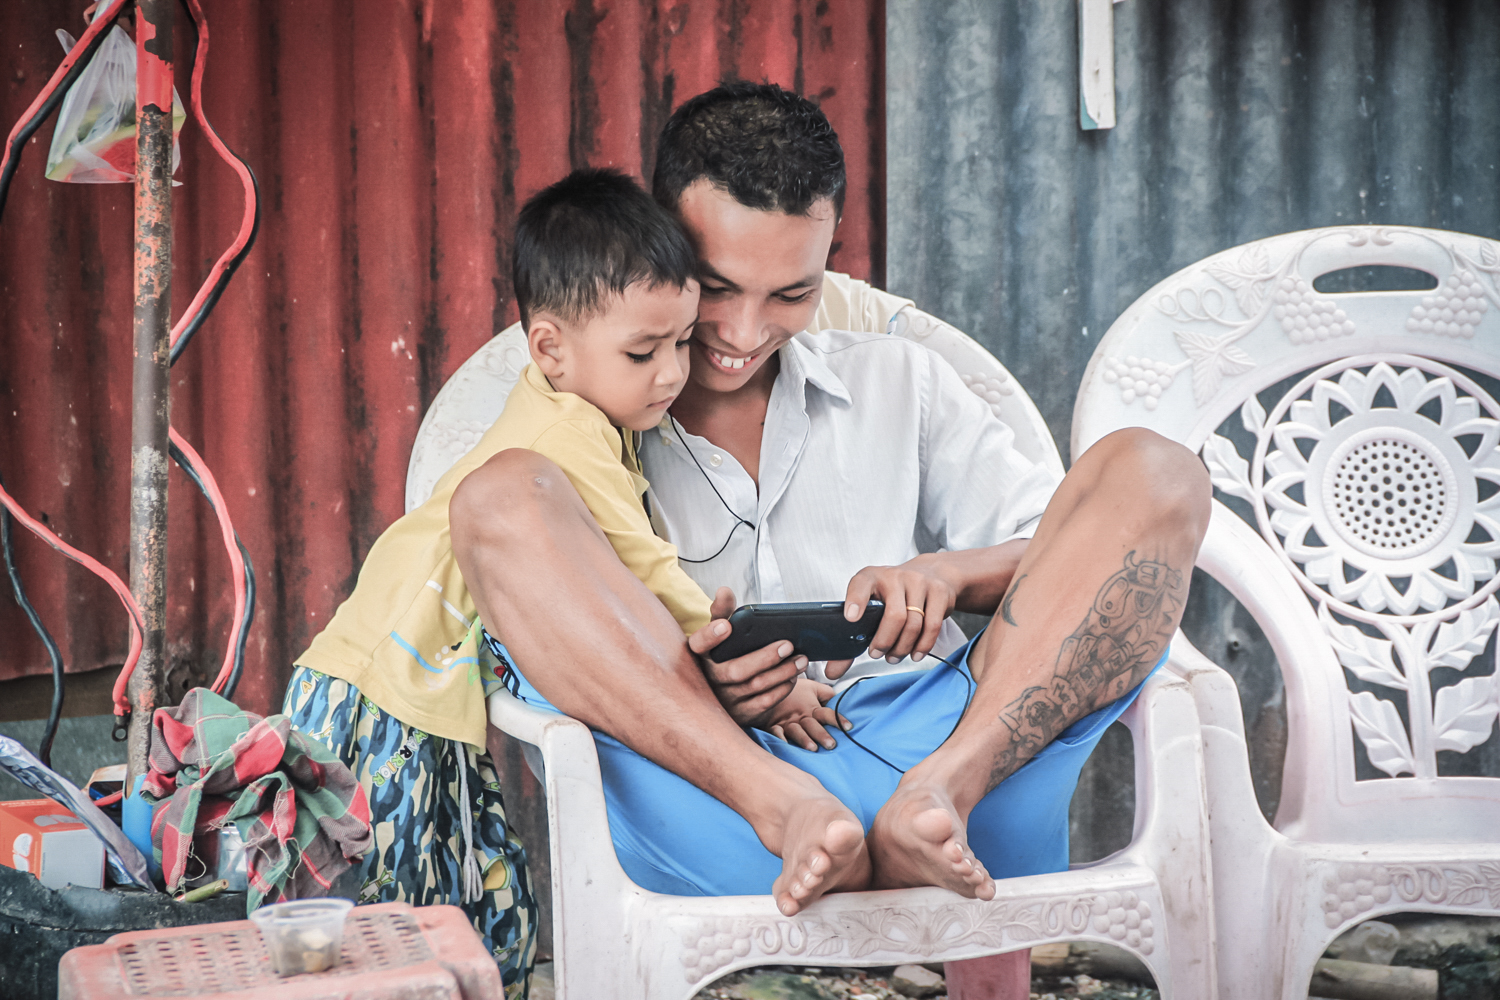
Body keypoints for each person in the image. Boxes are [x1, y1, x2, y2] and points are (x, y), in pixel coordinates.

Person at [449, 82, 1212, 919]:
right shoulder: (582, 423)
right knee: (498, 498)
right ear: (661, 247)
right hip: (721, 788)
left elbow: (1078, 547)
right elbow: (539, 619)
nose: (742, 334)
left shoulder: (900, 379)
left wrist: (949, 576)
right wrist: (692, 679)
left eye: (790, 294)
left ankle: (932, 804)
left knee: (1158, 472)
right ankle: (794, 811)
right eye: (715, 287)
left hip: (958, 753)